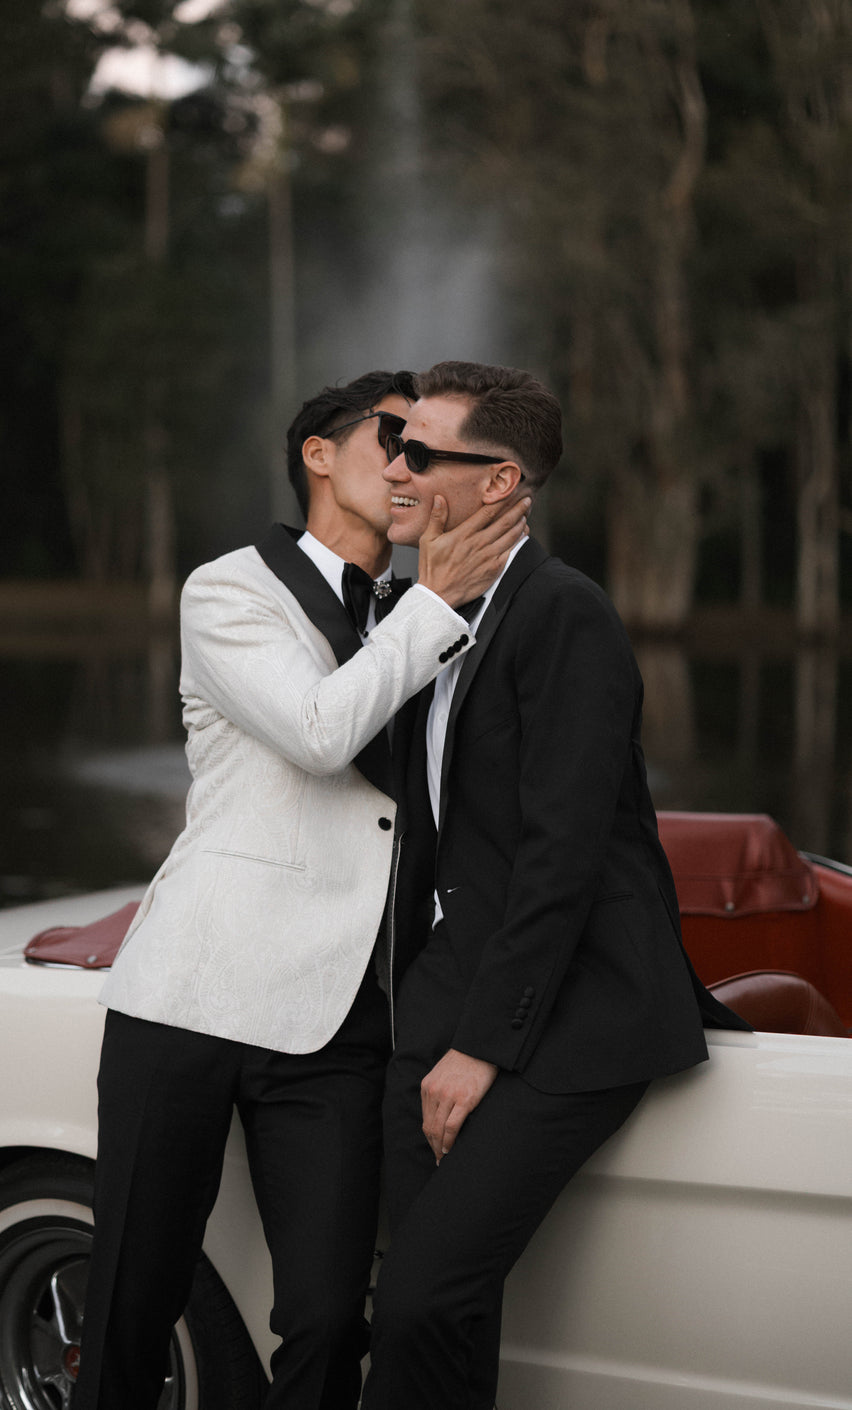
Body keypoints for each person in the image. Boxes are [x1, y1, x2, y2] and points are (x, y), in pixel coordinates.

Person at [70, 367, 528, 1410]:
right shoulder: (228, 589)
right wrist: (436, 605)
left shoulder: (441, 617)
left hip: (336, 1024)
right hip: (188, 996)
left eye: (431, 452)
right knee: (132, 1298)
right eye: (394, 441)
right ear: (317, 455)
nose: (415, 466)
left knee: (328, 1318)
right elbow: (321, 733)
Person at [360, 360, 751, 1410]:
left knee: (416, 1304)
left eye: (421, 451)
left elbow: (561, 855)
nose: (392, 463)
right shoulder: (421, 617)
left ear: (498, 483)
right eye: (395, 442)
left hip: (573, 1009)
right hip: (439, 998)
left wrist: (481, 1047)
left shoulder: (564, 613)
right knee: (446, 1310)